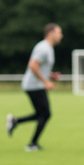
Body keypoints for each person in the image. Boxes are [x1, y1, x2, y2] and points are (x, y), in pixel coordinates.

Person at [7, 23, 63, 151]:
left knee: (41, 114)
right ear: (51, 33)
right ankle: (32, 144)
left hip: (36, 85)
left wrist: (50, 76)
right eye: (59, 32)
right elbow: (32, 65)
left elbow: (40, 68)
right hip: (34, 85)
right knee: (45, 114)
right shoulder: (43, 48)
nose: (61, 36)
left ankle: (15, 122)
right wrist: (45, 81)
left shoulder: (48, 48)